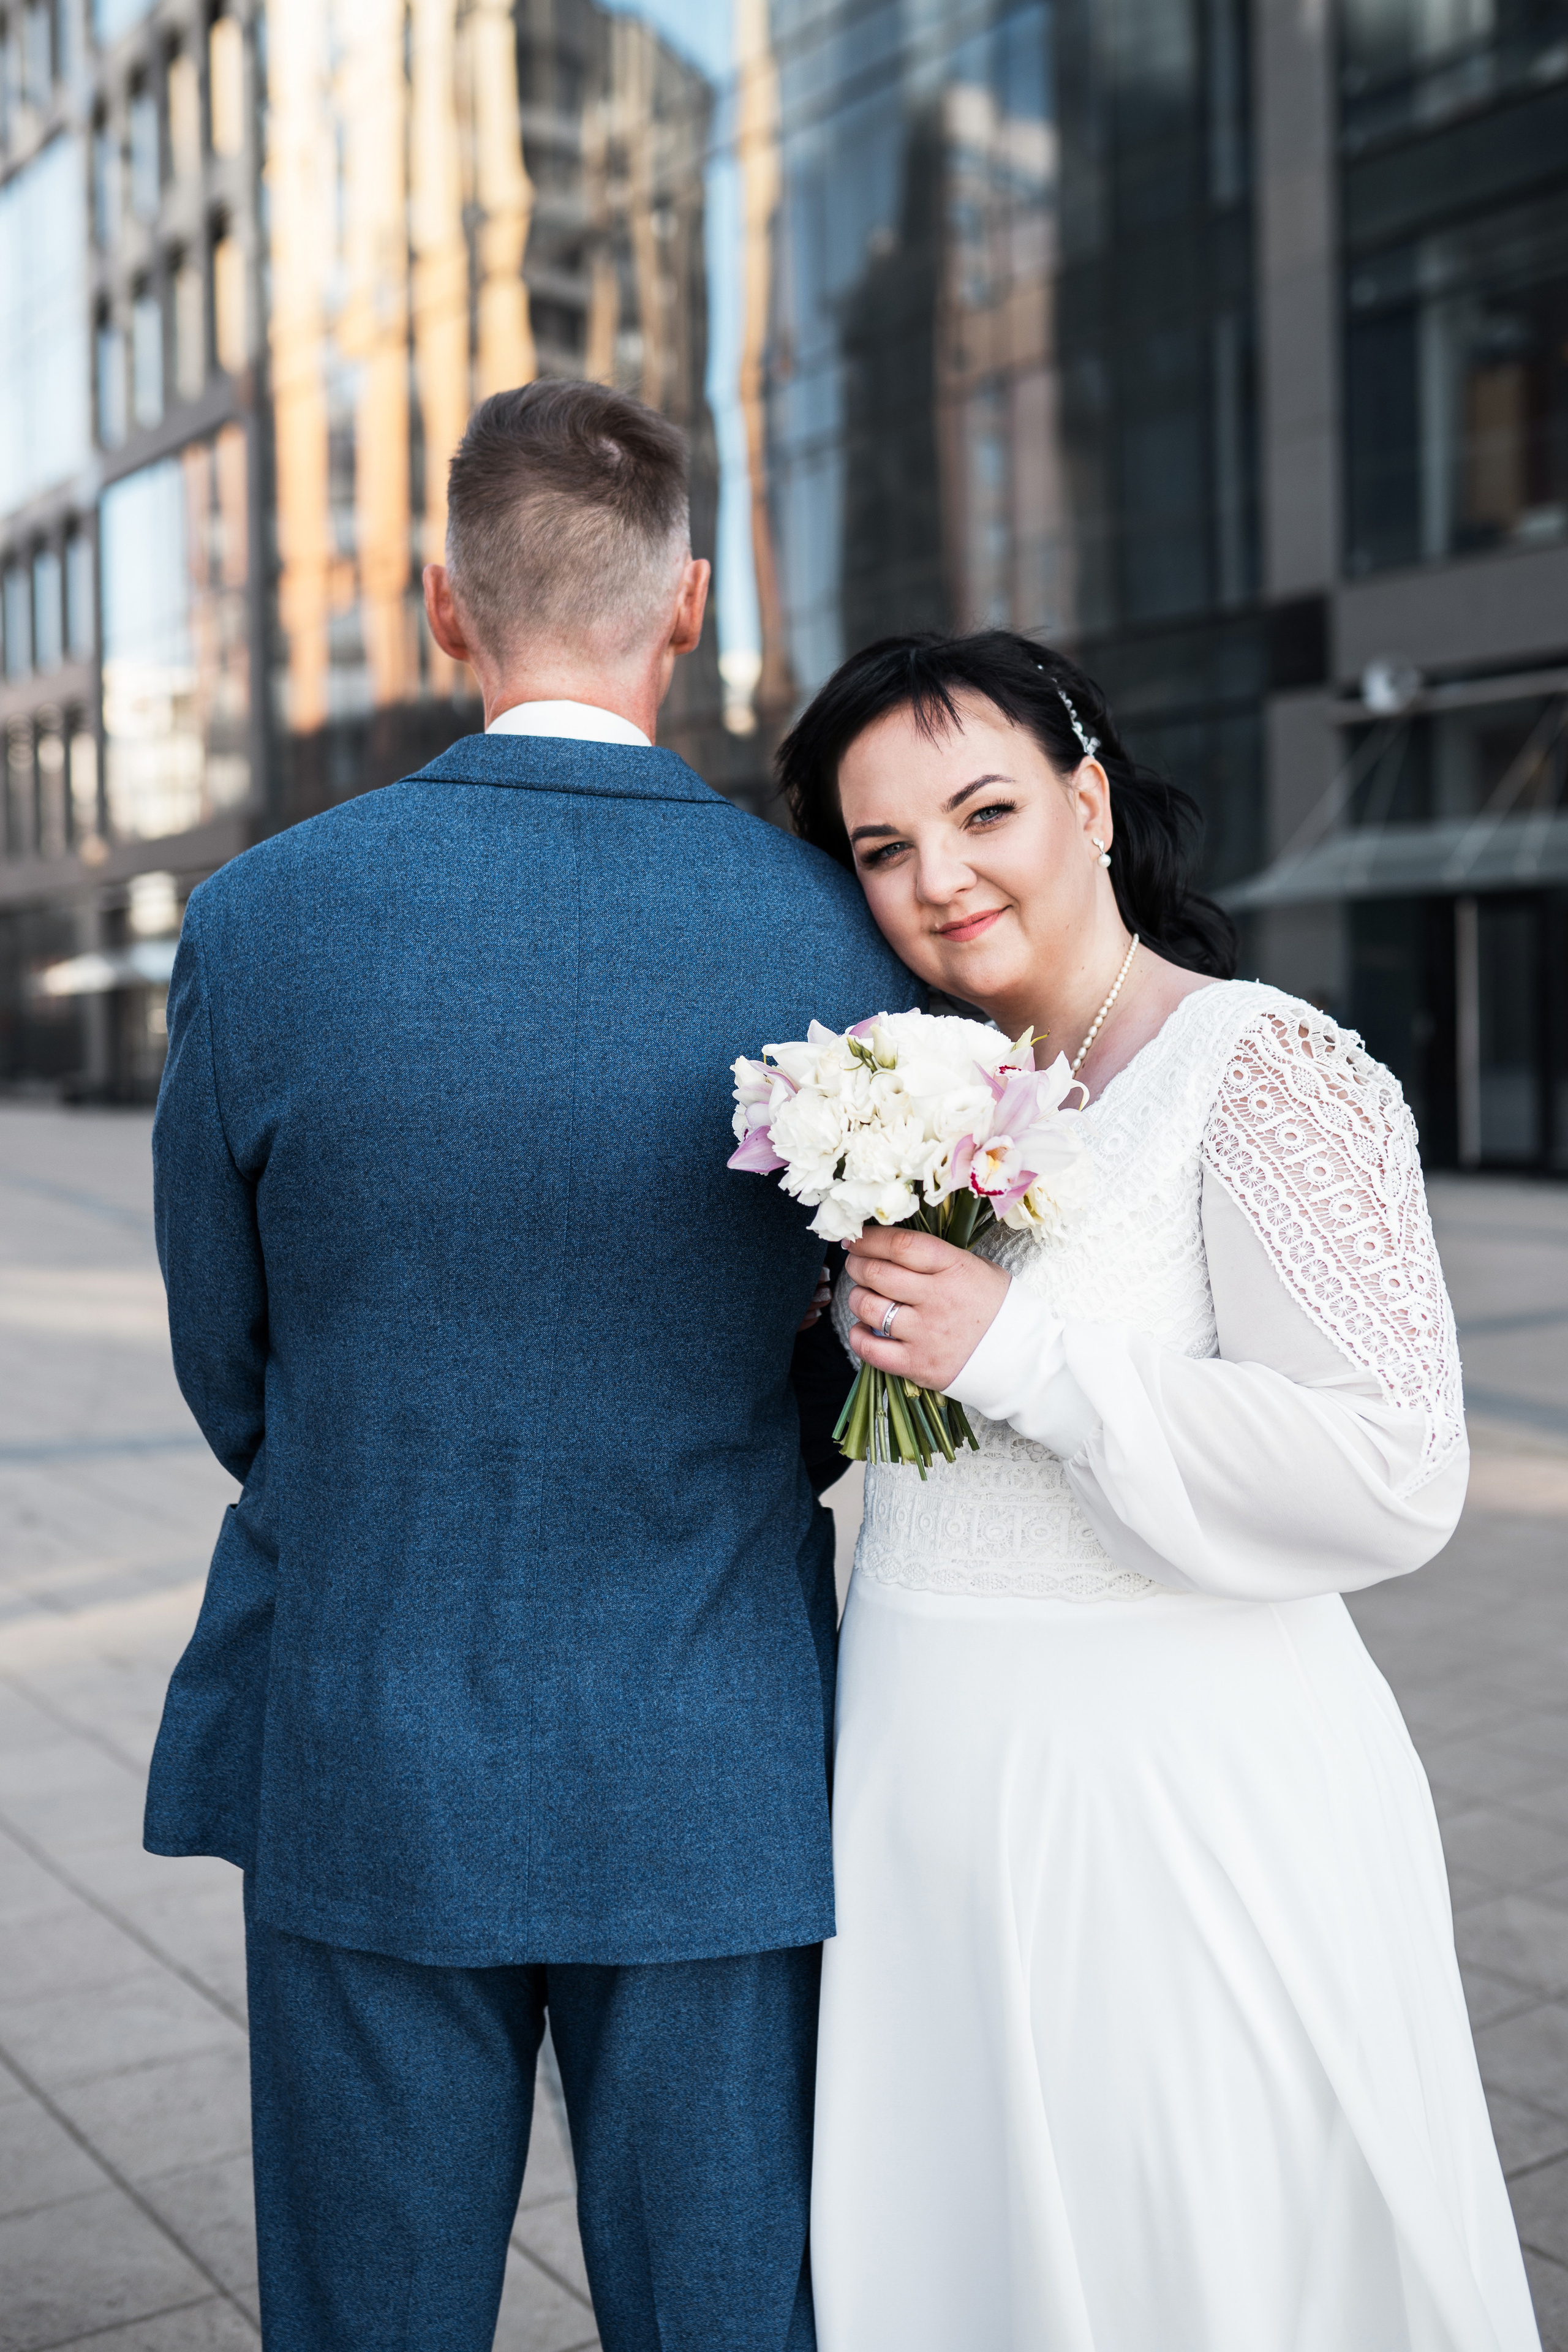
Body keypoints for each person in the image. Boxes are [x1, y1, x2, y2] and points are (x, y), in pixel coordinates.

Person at [145, 380, 917, 2352]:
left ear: (440, 607)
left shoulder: (261, 925)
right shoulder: (836, 929)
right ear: (691, 606)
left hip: (367, 1719)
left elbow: (227, 1360)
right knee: (728, 2311)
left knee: (371, 2314)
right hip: (717, 1738)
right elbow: (875, 1358)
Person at [778, 630, 1540, 2352]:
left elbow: (1396, 1467)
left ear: (1092, 799)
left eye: (982, 812)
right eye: (884, 849)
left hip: (1168, 1806)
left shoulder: (1258, 1066)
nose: (937, 878)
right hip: (921, 1797)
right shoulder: (918, 1092)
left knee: (1184, 2254)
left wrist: (1023, 1358)